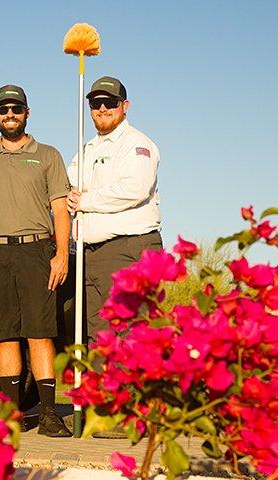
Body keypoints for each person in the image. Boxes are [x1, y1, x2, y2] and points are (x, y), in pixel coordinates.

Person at [0, 84, 72, 437]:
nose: (9, 115)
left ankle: (48, 413)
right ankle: (9, 414)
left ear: (27, 112)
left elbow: (61, 209)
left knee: (40, 332)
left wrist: (61, 254)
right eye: (3, 109)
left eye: (16, 109)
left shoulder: (47, 155)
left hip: (36, 252)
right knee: (4, 335)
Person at [67, 75, 162, 342]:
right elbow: (69, 185)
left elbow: (134, 189)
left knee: (133, 334)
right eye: (96, 103)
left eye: (110, 102)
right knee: (100, 338)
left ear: (125, 105)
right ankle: (100, 386)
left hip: (129, 249)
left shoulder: (136, 143)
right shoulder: (86, 149)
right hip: (92, 255)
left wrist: (85, 200)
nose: (102, 109)